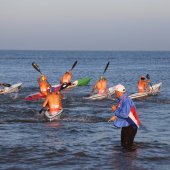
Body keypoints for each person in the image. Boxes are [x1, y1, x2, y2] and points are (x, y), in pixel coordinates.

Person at [108, 84, 140, 150]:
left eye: (115, 92)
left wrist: (116, 111)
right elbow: (123, 112)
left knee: (127, 145)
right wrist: (115, 116)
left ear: (119, 92)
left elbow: (125, 114)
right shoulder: (122, 100)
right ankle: (125, 159)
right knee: (123, 144)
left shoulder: (126, 100)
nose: (115, 93)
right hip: (126, 124)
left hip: (132, 125)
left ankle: (132, 158)